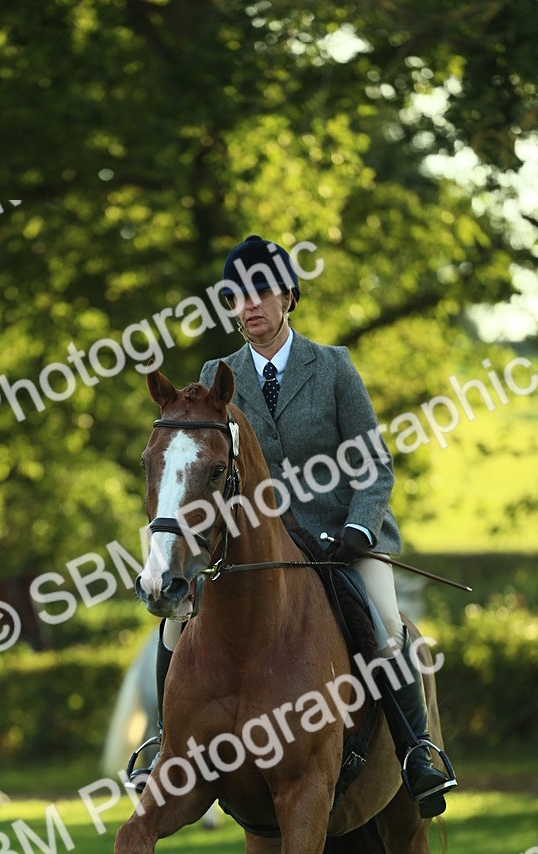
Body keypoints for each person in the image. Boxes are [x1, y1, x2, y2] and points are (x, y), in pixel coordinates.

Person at [129, 234, 456, 817]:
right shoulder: (217, 372)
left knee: (384, 624)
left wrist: (360, 527)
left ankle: (416, 752)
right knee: (176, 626)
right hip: (258, 545)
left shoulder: (333, 367)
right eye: (236, 295)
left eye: (261, 291)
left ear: (287, 296)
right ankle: (162, 746)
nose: (249, 304)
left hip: (340, 539)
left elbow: (374, 464)